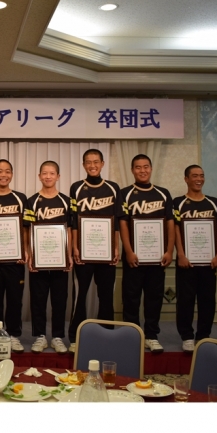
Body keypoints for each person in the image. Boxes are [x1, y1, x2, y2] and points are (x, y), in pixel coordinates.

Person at [68, 149, 124, 353]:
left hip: (106, 252)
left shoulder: (113, 188)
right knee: (80, 295)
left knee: (106, 295)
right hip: (83, 252)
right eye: (88, 162)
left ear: (102, 164)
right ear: (84, 165)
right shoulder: (76, 188)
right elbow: (73, 220)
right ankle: (75, 337)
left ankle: (106, 337)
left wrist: (116, 246)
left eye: (96, 162)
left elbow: (116, 221)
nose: (92, 165)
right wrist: (74, 246)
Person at [119, 154, 175, 353]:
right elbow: (123, 223)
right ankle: (132, 336)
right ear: (132, 170)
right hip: (133, 257)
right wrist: (128, 251)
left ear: (151, 168)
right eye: (138, 167)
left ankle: (151, 335)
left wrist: (170, 250)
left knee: (154, 297)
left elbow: (171, 223)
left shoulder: (163, 194)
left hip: (157, 257)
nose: (142, 170)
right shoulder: (125, 194)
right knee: (131, 297)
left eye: (145, 167)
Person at [172, 165, 217, 352]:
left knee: (208, 300)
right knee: (185, 300)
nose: (199, 179)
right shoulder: (178, 203)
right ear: (186, 179)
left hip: (208, 262)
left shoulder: (214, 203)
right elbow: (175, 230)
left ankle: (203, 336)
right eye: (195, 176)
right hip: (186, 262)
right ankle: (187, 337)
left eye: (201, 176)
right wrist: (180, 254)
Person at [0, 159, 32, 353]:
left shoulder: (20, 198)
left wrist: (24, 250)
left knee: (15, 300)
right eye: (0, 171)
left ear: (12, 174)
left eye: (7, 171)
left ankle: (14, 335)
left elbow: (25, 228)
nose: (3, 175)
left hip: (15, 260)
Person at [26, 161, 72, 353]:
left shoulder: (66, 201)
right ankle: (40, 336)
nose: (48, 176)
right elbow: (27, 230)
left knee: (59, 299)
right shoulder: (31, 201)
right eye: (44, 173)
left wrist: (69, 254)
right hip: (39, 259)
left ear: (58, 176)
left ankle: (58, 337)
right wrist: (29, 254)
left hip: (60, 259)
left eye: (52, 173)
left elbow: (69, 230)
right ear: (39, 176)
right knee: (38, 298)